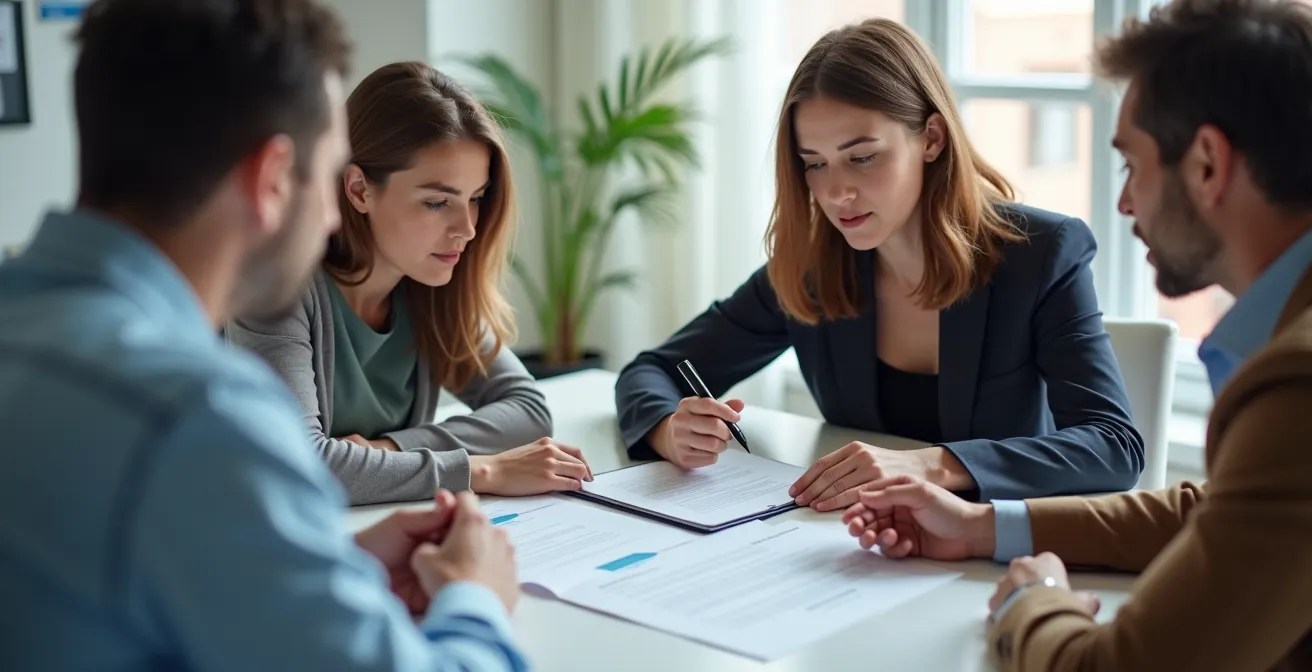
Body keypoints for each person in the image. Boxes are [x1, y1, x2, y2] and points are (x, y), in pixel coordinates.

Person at [0, 1, 526, 670]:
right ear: (273, 178)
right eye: (331, 173)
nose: (335, 213)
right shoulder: (201, 417)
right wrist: (474, 597)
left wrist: (329, 563)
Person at [842, 0, 1312, 669]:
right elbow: (1220, 511)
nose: (1124, 203)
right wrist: (982, 526)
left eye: (1132, 165)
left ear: (1207, 164)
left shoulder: (1298, 385)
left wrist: (1029, 601)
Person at [615, 18, 1143, 509]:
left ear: (931, 138)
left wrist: (931, 464)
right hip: (858, 547)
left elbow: (1113, 446)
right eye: (815, 164)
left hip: (992, 554)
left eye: (862, 156)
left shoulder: (1041, 254)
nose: (837, 191)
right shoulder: (812, 269)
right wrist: (668, 429)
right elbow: (653, 371)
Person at [228, 61, 592, 506]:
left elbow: (528, 411)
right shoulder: (277, 287)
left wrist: (392, 450)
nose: (467, 228)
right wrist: (480, 469)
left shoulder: (431, 284)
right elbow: (300, 463)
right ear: (359, 189)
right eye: (437, 202)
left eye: (475, 199)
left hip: (389, 527)